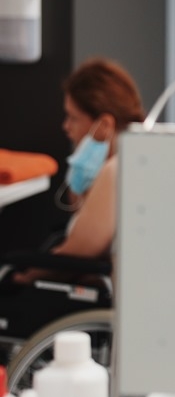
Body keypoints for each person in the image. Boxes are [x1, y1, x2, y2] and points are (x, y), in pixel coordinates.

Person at [0, 57, 145, 345]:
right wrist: (83, 175)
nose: (66, 127)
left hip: (91, 296)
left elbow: (80, 251)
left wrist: (25, 276)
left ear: (104, 124)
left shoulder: (116, 170)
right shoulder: (136, 159)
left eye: (73, 118)